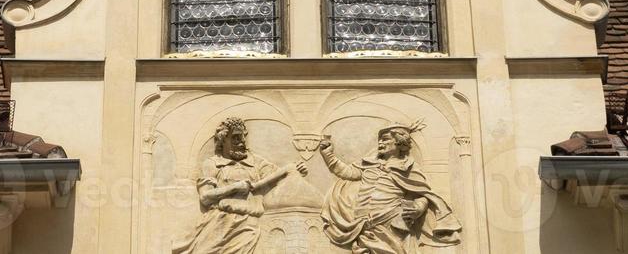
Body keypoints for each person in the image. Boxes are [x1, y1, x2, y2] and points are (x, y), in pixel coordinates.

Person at [175, 117, 309, 254]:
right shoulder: (212, 163)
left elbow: (279, 176)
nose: (242, 142)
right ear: (223, 140)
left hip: (249, 227)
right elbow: (205, 197)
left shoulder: (256, 162)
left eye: (243, 137)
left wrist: (297, 169)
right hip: (219, 225)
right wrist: (235, 187)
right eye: (236, 138)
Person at [319, 124, 461, 253]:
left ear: (399, 142)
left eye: (385, 139)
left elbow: (422, 194)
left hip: (391, 223)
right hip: (363, 225)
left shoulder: (408, 167)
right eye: (380, 140)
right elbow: (347, 172)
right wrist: (328, 154)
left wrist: (418, 209)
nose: (380, 143)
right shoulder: (368, 164)